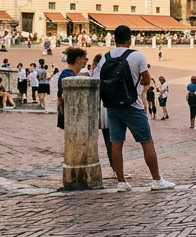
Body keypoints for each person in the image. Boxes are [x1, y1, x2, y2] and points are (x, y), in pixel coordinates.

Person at [96, 25, 175, 191]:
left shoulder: (105, 57)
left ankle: (121, 182)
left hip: (112, 106)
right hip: (133, 105)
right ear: (129, 39)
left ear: (114, 39)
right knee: (147, 142)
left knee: (116, 143)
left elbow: (96, 79)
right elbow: (147, 79)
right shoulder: (137, 55)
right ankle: (157, 179)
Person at [56, 48, 84, 129]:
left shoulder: (66, 73)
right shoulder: (69, 76)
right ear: (78, 60)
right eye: (85, 58)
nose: (86, 61)